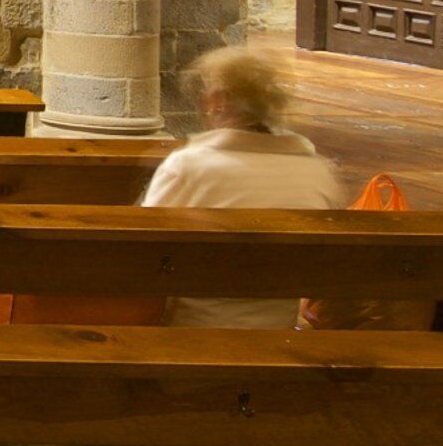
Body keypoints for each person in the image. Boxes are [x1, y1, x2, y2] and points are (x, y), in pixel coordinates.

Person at [140, 45, 343, 327]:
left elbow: (141, 252)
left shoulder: (188, 166)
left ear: (218, 99)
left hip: (192, 327)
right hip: (277, 328)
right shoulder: (318, 171)